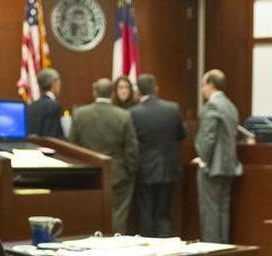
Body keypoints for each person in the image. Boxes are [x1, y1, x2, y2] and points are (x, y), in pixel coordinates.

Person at [69, 78, 139, 233]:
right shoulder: (124, 115)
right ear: (112, 93)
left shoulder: (80, 114)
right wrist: (131, 172)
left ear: (94, 92)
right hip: (118, 174)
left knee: (90, 214)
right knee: (118, 215)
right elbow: (131, 148)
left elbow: (72, 146)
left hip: (89, 174)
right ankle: (115, 245)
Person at [129, 74, 187, 237]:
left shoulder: (133, 113)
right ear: (156, 88)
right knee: (163, 213)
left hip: (144, 169)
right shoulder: (172, 108)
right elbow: (182, 135)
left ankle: (148, 249)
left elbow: (130, 141)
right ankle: (166, 251)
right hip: (169, 169)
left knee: (146, 212)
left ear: (138, 92)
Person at [193, 69, 242, 243]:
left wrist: (203, 159)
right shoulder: (231, 106)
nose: (202, 89)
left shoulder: (212, 106)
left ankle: (212, 248)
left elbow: (208, 137)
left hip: (213, 165)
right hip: (229, 165)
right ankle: (222, 246)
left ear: (211, 85)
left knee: (210, 210)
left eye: (203, 85)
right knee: (223, 209)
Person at [28, 69, 65, 138]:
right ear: (54, 82)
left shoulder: (31, 105)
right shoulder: (53, 106)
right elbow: (53, 136)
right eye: (59, 82)